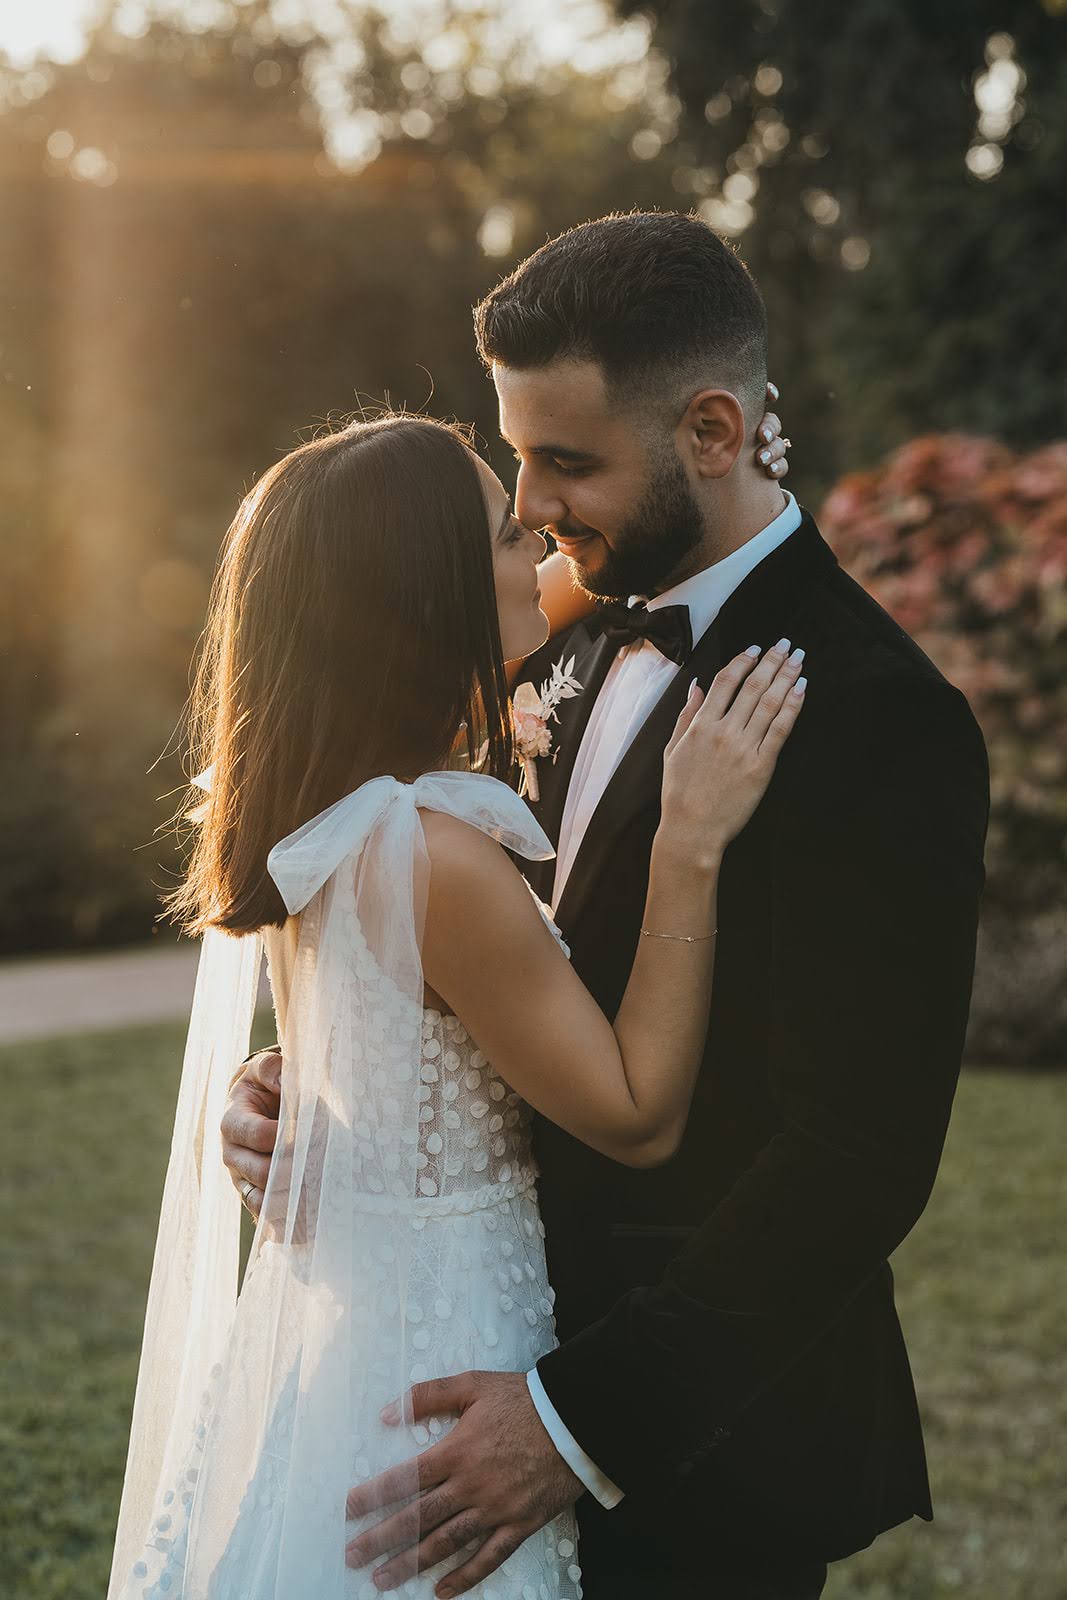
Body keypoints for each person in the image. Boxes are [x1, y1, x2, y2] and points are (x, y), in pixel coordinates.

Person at [224, 212, 990, 1599]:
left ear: (709, 431)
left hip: (700, 1450)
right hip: (460, 1357)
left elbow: (855, 1158)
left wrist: (579, 1425)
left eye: (563, 462)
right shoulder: (560, 640)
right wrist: (318, 1089)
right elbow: (488, 976)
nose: (526, 509)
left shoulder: (878, 720)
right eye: (512, 457)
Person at [109, 391, 804, 1599]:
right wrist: (689, 839)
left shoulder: (332, 820)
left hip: (352, 1345)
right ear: (425, 601)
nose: (538, 538)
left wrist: (720, 466)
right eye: (501, 531)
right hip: (442, 1355)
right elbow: (635, 1110)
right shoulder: (437, 855)